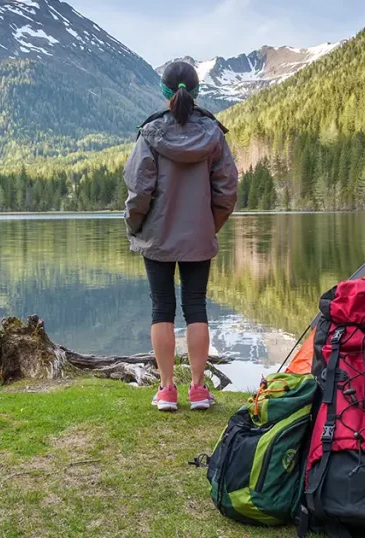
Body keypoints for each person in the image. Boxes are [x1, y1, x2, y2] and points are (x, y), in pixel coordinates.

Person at [123, 61, 239, 412]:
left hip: (156, 236)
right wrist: (209, 224)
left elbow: (139, 189)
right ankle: (200, 390)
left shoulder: (151, 133)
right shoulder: (213, 135)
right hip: (198, 236)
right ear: (196, 90)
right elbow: (227, 190)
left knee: (162, 307)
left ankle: (167, 390)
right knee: (196, 306)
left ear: (163, 92)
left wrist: (134, 224)